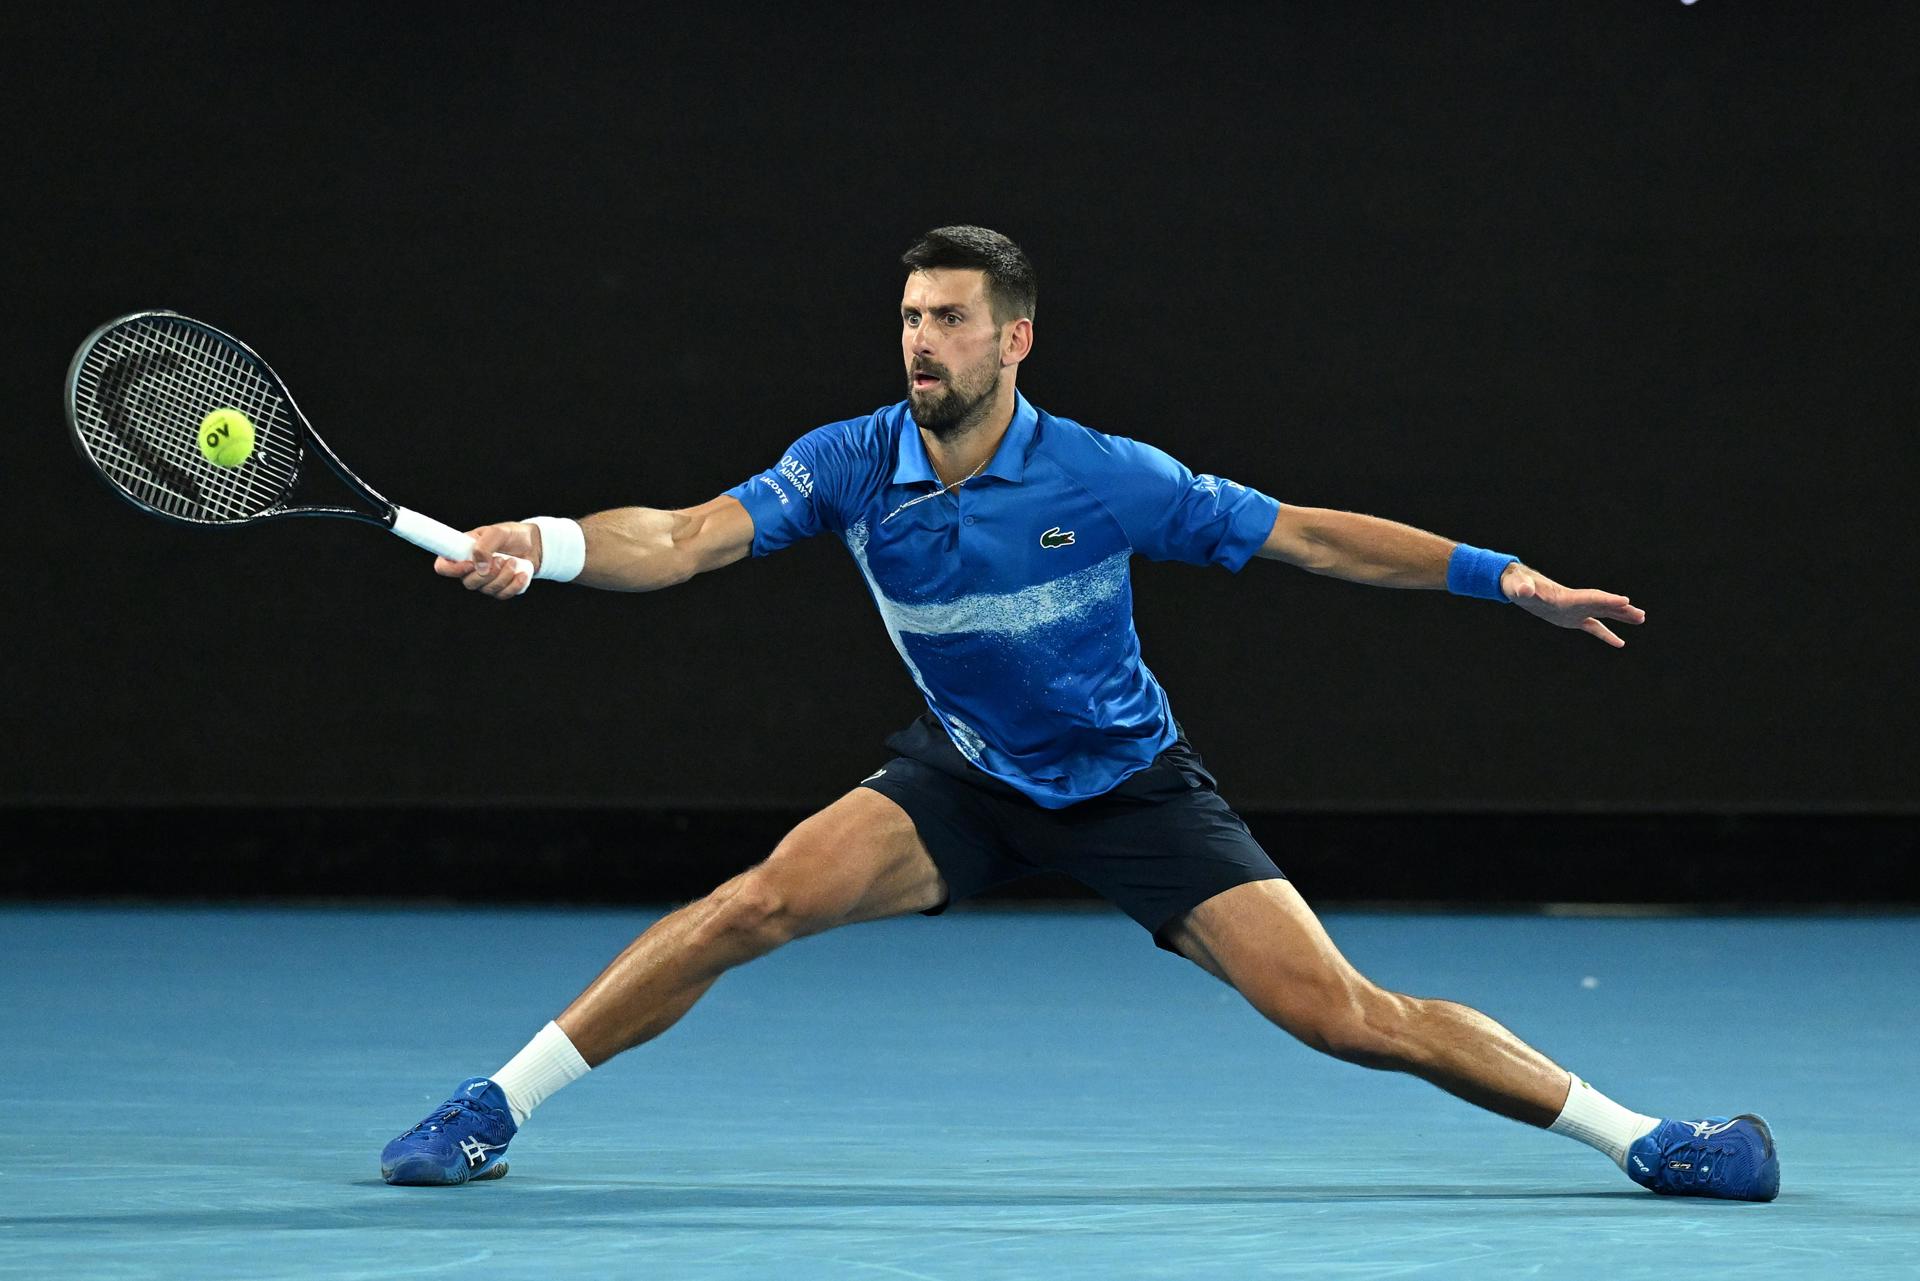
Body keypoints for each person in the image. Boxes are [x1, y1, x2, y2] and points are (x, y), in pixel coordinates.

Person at [380, 226, 1777, 1202]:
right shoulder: (851, 461)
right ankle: (493, 1105)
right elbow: (683, 538)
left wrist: (1501, 578)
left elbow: (1306, 536)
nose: (921, 340)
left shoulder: (1106, 478)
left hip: (1132, 787)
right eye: (911, 316)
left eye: (950, 319)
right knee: (752, 903)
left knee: (1347, 1014)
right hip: (965, 779)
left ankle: (1651, 1138)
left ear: (1016, 338)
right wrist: (550, 540)